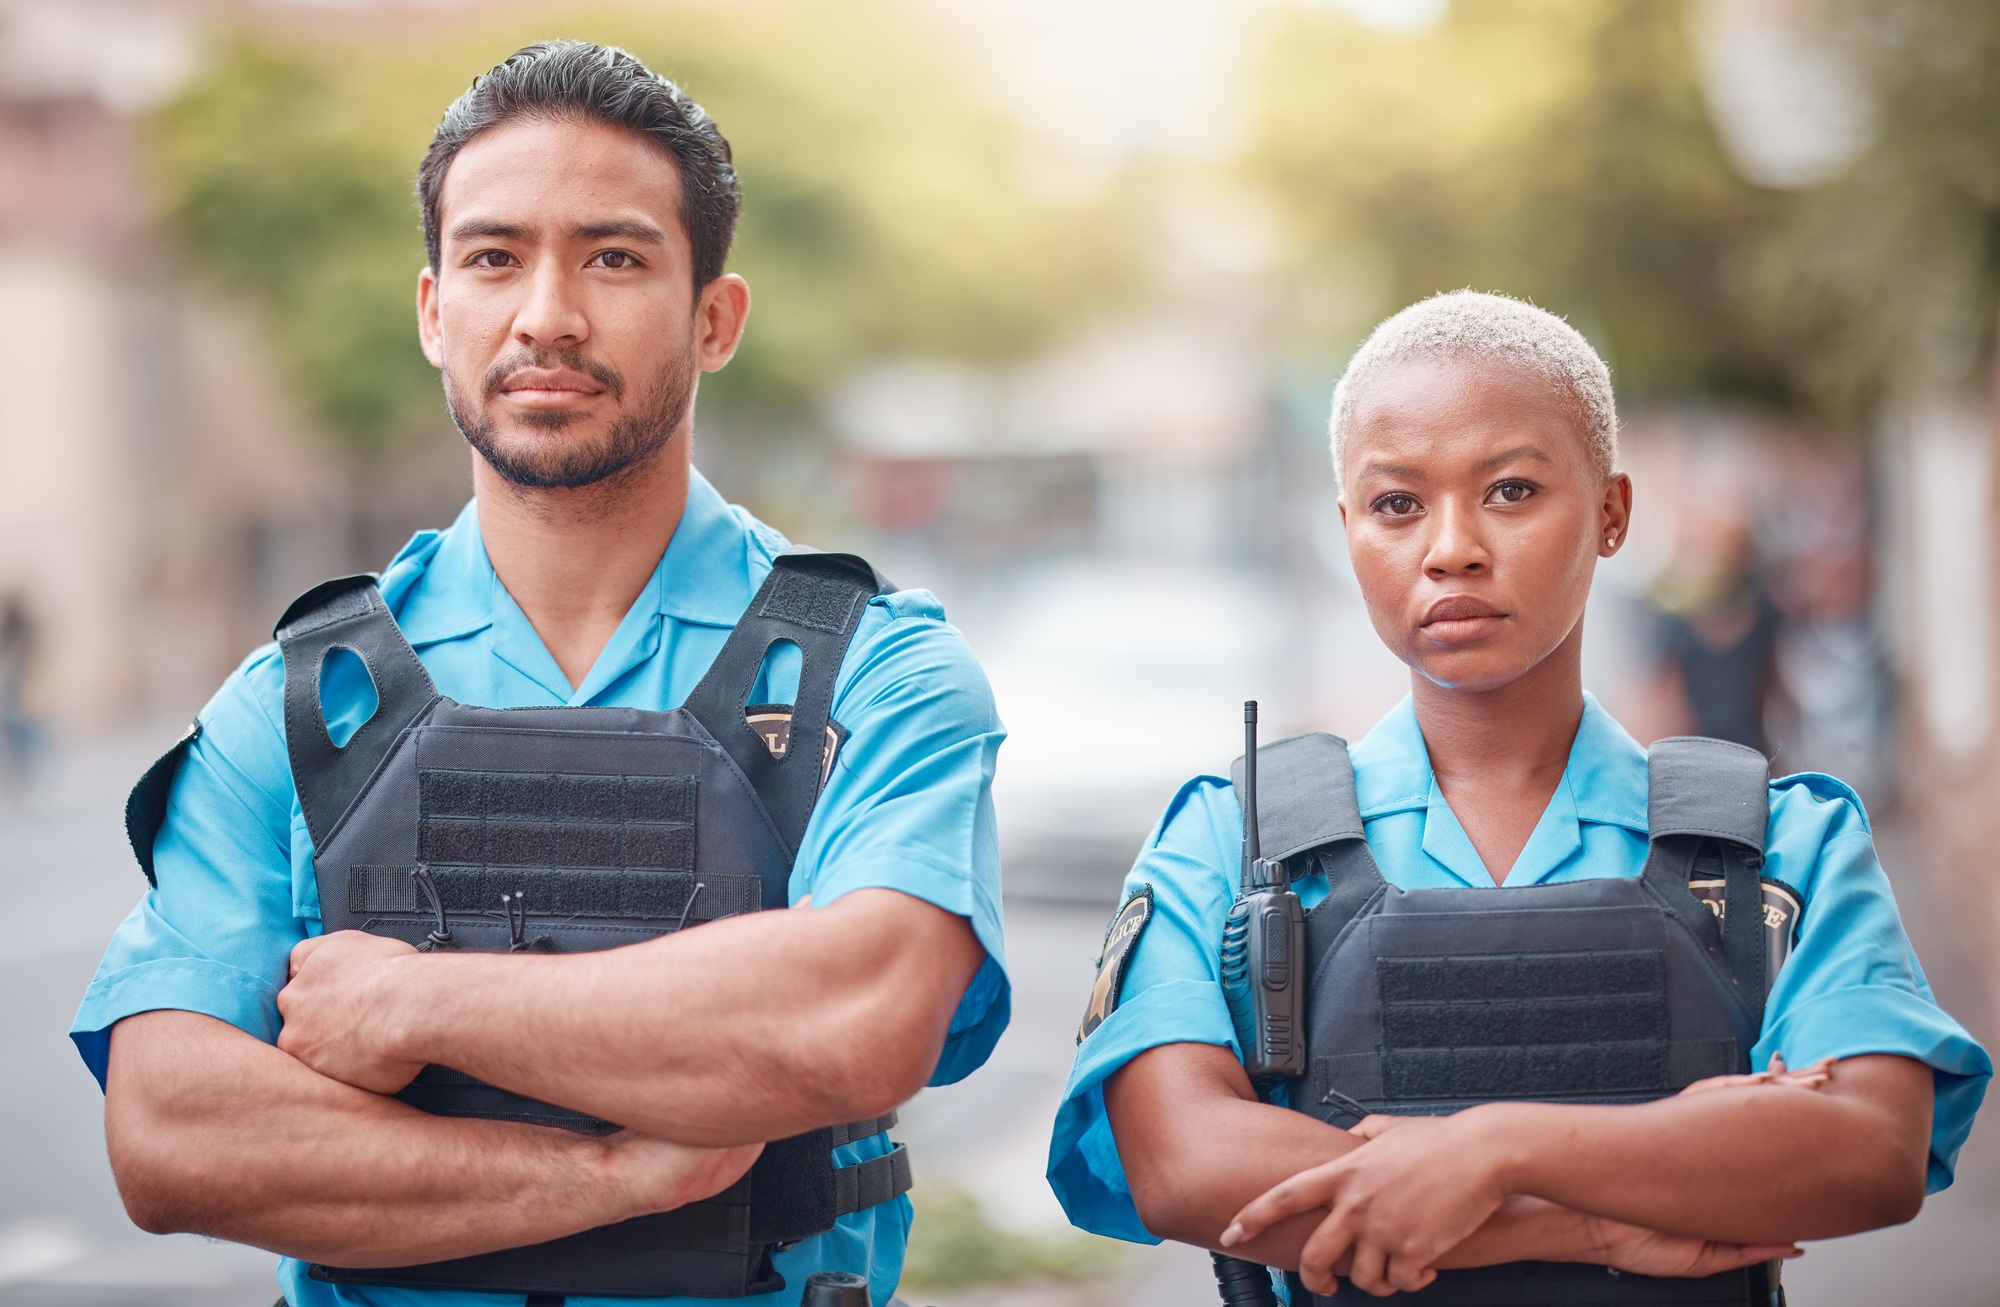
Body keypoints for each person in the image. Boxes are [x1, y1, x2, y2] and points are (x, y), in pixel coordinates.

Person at [73, 41, 1008, 1307]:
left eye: (613, 256)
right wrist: (623, 1173)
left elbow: (858, 1016)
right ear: (431, 309)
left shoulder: (876, 673)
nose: (546, 314)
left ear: (713, 318)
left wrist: (411, 1005)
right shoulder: (297, 699)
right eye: (494, 256)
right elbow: (173, 1133)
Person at [1046, 291, 1989, 1303]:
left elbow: (1870, 1143)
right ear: (1347, 530)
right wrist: (1589, 1217)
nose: (1449, 545)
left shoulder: (1776, 840)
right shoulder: (1233, 842)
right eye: (1395, 503)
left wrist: (1502, 1144)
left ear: (1611, 513)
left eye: (1508, 489)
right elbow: (1185, 1165)